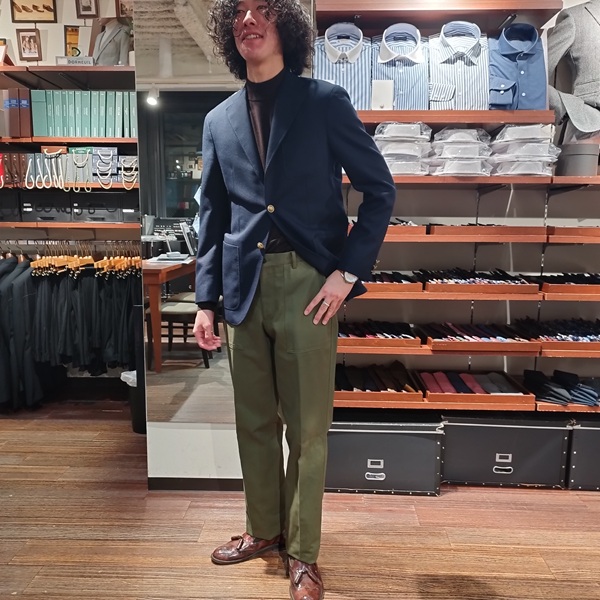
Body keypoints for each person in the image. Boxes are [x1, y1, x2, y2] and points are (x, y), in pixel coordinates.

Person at [193, 1, 395, 598]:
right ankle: (264, 530)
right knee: (253, 422)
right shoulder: (219, 120)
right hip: (242, 288)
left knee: (308, 430)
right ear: (229, 33)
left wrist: (346, 274)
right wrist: (206, 300)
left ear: (285, 24)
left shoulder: (324, 101)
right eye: (238, 13)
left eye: (262, 10)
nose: (248, 20)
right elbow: (213, 216)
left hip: (309, 284)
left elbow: (380, 190)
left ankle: (303, 552)